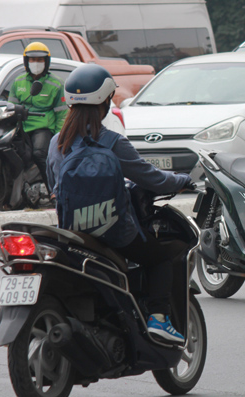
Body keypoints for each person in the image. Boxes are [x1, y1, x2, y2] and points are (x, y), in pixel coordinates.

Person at [46, 64, 192, 344]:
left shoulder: (57, 143)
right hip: (114, 234)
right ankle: (159, 318)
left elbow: (55, 187)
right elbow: (152, 179)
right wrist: (182, 180)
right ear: (103, 103)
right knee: (161, 257)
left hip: (72, 235)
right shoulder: (112, 142)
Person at [8, 42, 68, 190]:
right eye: (32, 60)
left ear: (46, 62)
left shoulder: (56, 84)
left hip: (43, 127)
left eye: (40, 60)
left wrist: (59, 137)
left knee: (39, 154)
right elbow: (10, 107)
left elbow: (62, 114)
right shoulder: (18, 82)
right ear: (26, 62)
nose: (36, 63)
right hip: (22, 126)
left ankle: (53, 190)